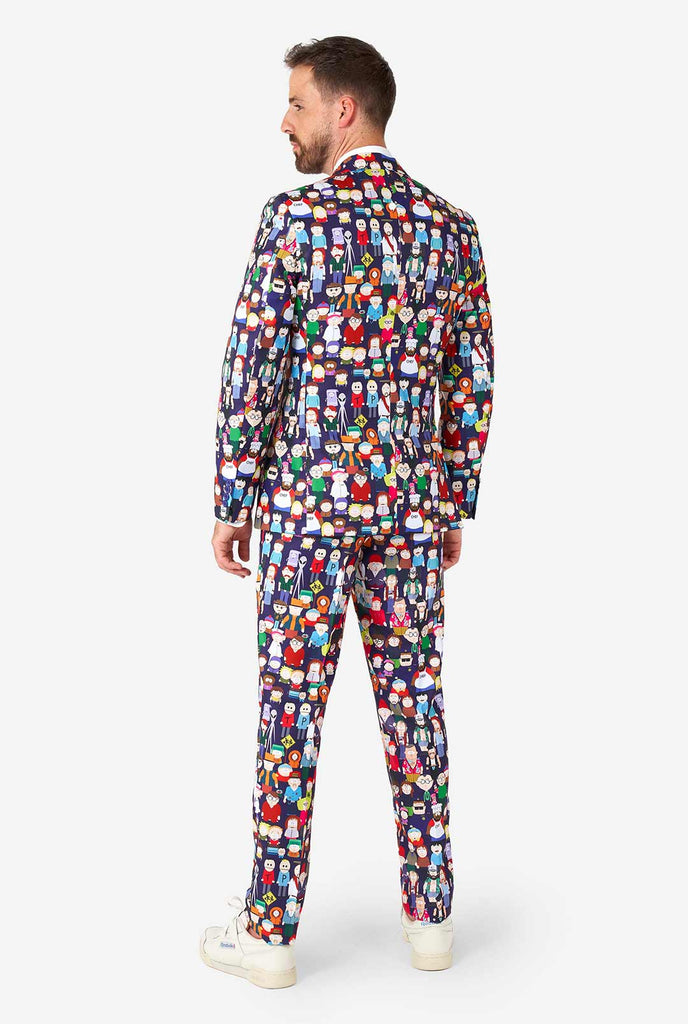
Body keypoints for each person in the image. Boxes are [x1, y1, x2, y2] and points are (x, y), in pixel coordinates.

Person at [201, 35, 495, 988]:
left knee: (289, 717)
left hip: (306, 511)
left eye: (296, 103)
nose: (283, 121)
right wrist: (451, 499)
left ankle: (270, 938)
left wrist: (233, 495)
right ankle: (432, 923)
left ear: (344, 109)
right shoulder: (452, 230)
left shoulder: (295, 218)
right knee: (416, 709)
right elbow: (471, 380)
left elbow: (254, 364)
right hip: (408, 514)